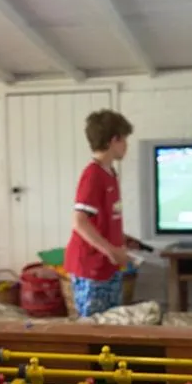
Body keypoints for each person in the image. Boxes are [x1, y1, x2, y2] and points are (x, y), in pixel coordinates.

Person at [63, 109, 140, 317]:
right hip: (92, 268)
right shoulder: (93, 175)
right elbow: (79, 221)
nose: (126, 146)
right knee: (95, 326)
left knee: (111, 322)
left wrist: (120, 238)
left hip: (108, 265)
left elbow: (102, 219)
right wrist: (111, 251)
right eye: (124, 139)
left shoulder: (110, 173)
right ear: (114, 140)